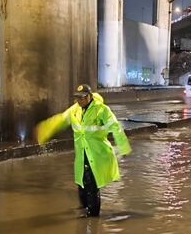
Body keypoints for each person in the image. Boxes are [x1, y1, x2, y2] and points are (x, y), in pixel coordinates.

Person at [36, 84, 131, 217]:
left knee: (92, 184)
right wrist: (44, 130)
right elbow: (61, 120)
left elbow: (116, 128)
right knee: (81, 182)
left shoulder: (101, 110)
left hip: (97, 154)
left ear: (90, 96)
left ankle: (92, 216)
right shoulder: (74, 110)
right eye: (77, 98)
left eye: (82, 97)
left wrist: (123, 147)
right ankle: (84, 207)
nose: (79, 100)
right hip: (82, 155)